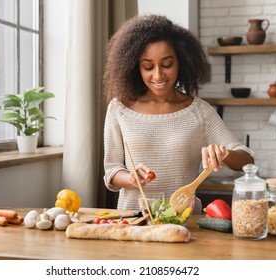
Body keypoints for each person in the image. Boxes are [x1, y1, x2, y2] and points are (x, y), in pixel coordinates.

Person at [103, 14, 254, 212]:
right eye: (148, 67)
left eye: (167, 64)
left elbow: (247, 159)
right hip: (133, 221)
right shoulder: (119, 108)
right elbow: (111, 171)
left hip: (186, 223)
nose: (158, 75)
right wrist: (131, 179)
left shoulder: (198, 111)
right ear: (135, 66)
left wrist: (224, 153)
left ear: (181, 61)